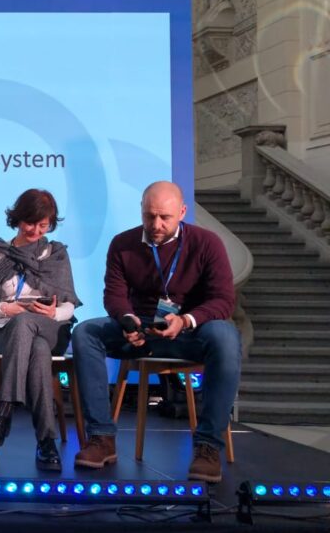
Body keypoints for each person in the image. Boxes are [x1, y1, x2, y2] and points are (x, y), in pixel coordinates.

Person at [71, 181, 239, 483]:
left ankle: (207, 447)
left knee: (225, 337)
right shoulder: (123, 244)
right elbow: (115, 295)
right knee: (85, 332)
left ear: (182, 212)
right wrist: (127, 321)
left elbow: (223, 300)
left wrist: (186, 320)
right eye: (150, 216)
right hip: (141, 331)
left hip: (189, 331)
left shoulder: (206, 243)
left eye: (165, 217)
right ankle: (101, 438)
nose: (156, 224)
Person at [0, 189, 80, 472]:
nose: (36, 230)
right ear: (17, 219)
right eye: (31, 223)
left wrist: (52, 312)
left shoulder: (55, 254)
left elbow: (69, 308)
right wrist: (8, 309)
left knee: (30, 325)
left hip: (50, 326)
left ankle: (3, 412)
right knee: (36, 347)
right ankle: (46, 442)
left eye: (44, 225)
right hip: (5, 330)